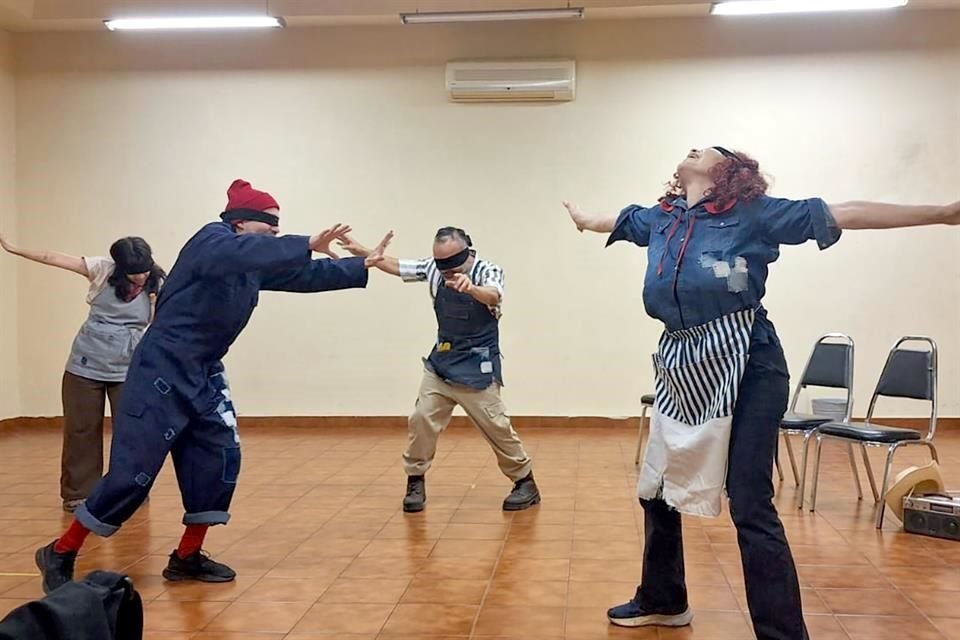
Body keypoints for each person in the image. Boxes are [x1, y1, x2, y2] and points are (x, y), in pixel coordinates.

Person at [563, 146, 960, 640]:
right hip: (683, 364)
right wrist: (583, 219)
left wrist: (944, 213)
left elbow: (847, 212)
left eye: (708, 148)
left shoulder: (755, 213)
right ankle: (664, 598)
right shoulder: (660, 219)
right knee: (658, 489)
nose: (693, 147)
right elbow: (613, 220)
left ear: (729, 169)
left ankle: (783, 634)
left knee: (750, 502)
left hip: (751, 366)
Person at [35, 178, 393, 594]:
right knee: (133, 476)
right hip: (160, 372)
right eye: (270, 227)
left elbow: (302, 274)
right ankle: (61, 551)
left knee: (218, 460)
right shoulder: (211, 241)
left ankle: (187, 557)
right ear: (241, 223)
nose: (276, 233)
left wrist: (361, 266)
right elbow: (242, 251)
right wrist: (307, 239)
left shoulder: (248, 262)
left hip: (204, 374)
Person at [338, 226, 540, 513]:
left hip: (477, 368)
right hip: (442, 363)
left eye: (451, 264)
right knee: (421, 419)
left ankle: (525, 482)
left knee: (497, 427)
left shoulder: (488, 270)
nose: (445, 271)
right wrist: (364, 252)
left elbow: (494, 295)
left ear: (468, 251)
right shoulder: (433, 269)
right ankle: (415, 480)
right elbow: (395, 265)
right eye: (440, 264)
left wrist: (472, 289)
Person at [0, 233, 164, 512]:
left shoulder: (159, 282)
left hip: (129, 367)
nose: (139, 277)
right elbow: (52, 257)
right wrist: (13, 248)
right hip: (86, 364)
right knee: (81, 428)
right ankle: (78, 493)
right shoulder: (102, 270)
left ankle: (130, 490)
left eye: (144, 271)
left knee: (134, 431)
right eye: (133, 273)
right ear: (119, 267)